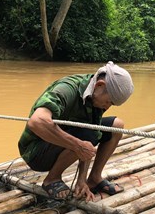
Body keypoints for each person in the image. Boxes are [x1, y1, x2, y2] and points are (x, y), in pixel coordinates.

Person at [18, 61, 134, 202]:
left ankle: (94, 178)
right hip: (36, 152)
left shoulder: (95, 98)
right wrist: (77, 145)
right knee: (86, 133)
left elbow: (91, 136)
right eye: (109, 102)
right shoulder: (66, 89)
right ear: (99, 85)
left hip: (67, 141)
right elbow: (37, 122)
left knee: (116, 126)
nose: (108, 107)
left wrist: (82, 180)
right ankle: (52, 179)